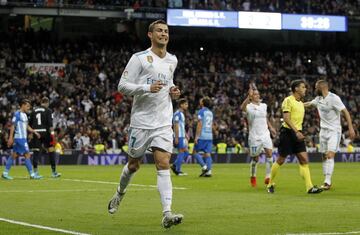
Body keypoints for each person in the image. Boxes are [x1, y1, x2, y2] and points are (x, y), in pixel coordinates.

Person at [107, 19, 183, 229]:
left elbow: (169, 83)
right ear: (150, 35)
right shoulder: (139, 58)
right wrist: (146, 89)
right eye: (159, 30)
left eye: (166, 31)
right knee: (133, 165)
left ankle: (167, 212)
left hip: (162, 122)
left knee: (163, 163)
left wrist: (173, 91)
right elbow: (122, 86)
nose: (163, 34)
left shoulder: (172, 60)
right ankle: (119, 194)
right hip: (141, 122)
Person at [267, 80, 322, 194]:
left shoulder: (300, 103)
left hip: (298, 133)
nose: (305, 89)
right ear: (296, 89)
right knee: (281, 160)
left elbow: (306, 104)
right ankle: (270, 183)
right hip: (287, 132)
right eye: (303, 87)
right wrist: (296, 132)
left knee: (304, 160)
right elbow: (286, 118)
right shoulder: (288, 100)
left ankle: (309, 187)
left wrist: (319, 101)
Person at [305, 80, 355, 190]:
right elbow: (309, 104)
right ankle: (326, 179)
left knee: (330, 155)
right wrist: (295, 104)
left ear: (322, 88)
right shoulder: (318, 99)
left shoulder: (334, 98)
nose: (314, 89)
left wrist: (351, 128)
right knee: (323, 155)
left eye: (316, 87)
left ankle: (327, 182)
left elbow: (345, 112)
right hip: (323, 131)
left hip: (334, 131)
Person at [240, 85, 276, 187]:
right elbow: (241, 108)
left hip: (265, 134)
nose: (257, 96)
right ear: (251, 97)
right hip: (254, 136)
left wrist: (271, 128)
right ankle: (253, 176)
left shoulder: (264, 106)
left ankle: (268, 177)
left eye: (258, 94)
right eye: (255, 94)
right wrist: (248, 97)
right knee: (255, 159)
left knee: (269, 154)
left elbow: (265, 118)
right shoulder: (248, 106)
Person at [2, 99, 42, 180]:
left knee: (14, 155)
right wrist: (10, 138)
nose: (29, 108)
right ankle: (32, 174)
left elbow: (27, 126)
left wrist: (34, 132)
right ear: (22, 105)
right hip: (20, 138)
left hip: (22, 138)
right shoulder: (17, 114)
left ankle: (5, 173)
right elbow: (12, 126)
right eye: (27, 106)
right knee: (27, 154)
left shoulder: (25, 115)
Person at [29, 97, 61, 178]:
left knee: (36, 152)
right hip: (46, 133)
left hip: (36, 133)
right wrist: (53, 135)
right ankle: (54, 172)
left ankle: (35, 173)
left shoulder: (34, 111)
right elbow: (50, 125)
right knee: (51, 151)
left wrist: (31, 133)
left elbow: (29, 124)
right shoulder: (48, 110)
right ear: (47, 103)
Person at [193, 96, 214, 177]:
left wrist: (196, 136)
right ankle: (209, 172)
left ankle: (204, 167)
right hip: (209, 135)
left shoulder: (201, 111)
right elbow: (211, 125)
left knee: (195, 152)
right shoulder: (210, 113)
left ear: (202, 103)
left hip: (202, 135)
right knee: (207, 154)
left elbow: (200, 124)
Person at [171, 98, 189, 176]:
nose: (187, 106)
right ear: (181, 105)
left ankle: (175, 167)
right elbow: (176, 125)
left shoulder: (181, 114)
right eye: (185, 104)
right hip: (179, 136)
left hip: (182, 135)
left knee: (186, 152)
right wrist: (177, 137)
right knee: (182, 152)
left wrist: (185, 134)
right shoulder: (177, 114)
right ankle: (177, 169)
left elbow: (182, 126)